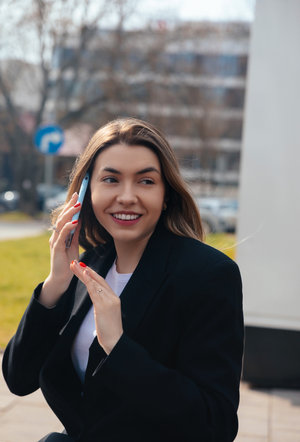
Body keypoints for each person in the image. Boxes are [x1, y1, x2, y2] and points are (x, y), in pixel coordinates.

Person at [2, 118, 244, 442]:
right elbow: (19, 378)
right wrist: (55, 284)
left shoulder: (208, 275)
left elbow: (216, 425)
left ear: (166, 194)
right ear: (87, 191)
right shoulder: (87, 266)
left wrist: (117, 347)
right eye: (111, 179)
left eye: (145, 181)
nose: (127, 196)